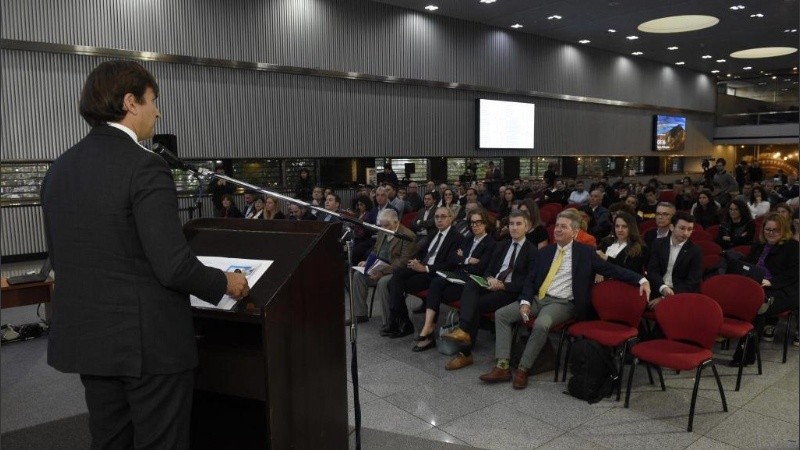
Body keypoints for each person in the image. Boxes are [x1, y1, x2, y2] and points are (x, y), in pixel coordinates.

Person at [40, 60, 249, 449]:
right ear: (130, 102)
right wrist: (225, 283)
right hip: (148, 346)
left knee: (110, 440)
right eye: (154, 100)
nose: (158, 111)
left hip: (90, 342)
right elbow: (172, 266)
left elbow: (64, 255)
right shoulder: (145, 166)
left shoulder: (60, 169)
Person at [478, 209, 650, 389]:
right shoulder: (545, 252)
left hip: (563, 303)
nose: (558, 230)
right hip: (539, 298)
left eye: (563, 227)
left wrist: (641, 279)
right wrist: (526, 302)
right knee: (502, 314)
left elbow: (612, 270)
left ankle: (523, 369)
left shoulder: (586, 253)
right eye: (557, 226)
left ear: (575, 232)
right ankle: (503, 367)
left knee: (542, 323)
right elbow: (530, 280)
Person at [441, 210, 538, 370]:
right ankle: (464, 331)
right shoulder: (502, 245)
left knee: (475, 304)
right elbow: (488, 269)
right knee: (471, 284)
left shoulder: (533, 252)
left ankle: (464, 351)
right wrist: (490, 278)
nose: (514, 227)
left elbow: (529, 282)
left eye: (518, 224)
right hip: (492, 284)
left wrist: (504, 285)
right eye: (511, 224)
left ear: (527, 227)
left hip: (510, 291)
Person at [412, 210, 496, 352]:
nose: (475, 226)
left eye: (478, 222)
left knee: (437, 292)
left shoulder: (491, 243)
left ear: (486, 223)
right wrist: (468, 260)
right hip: (458, 275)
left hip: (471, 282)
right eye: (472, 223)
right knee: (436, 282)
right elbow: (453, 259)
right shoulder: (468, 238)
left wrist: (462, 259)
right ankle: (428, 326)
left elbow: (481, 267)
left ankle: (438, 335)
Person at [383, 206, 465, 338]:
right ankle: (401, 320)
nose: (439, 220)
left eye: (443, 216)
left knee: (393, 285)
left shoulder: (457, 238)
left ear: (451, 218)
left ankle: (400, 321)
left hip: (434, 274)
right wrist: (416, 261)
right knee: (397, 275)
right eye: (437, 217)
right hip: (422, 267)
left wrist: (425, 268)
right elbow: (422, 253)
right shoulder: (433, 234)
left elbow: (451, 264)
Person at [734, 213, 799, 363]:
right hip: (758, 286)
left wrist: (771, 282)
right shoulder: (759, 245)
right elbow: (748, 264)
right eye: (767, 230)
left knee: (758, 305)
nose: (770, 233)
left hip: (785, 290)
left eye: (775, 230)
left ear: (783, 230)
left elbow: (794, 274)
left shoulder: (793, 247)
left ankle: (746, 354)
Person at [348, 209, 416, 325]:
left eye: (387, 225)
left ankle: (389, 321)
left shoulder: (407, 235)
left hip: (395, 270)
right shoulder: (383, 231)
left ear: (396, 222)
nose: (385, 228)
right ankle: (360, 314)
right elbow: (375, 250)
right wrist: (367, 262)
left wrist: (382, 272)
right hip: (378, 266)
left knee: (383, 282)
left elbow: (403, 262)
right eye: (382, 225)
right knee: (358, 275)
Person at [645, 211, 703, 308]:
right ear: (672, 227)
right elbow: (652, 271)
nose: (686, 233)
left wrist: (665, 298)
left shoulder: (695, 251)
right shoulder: (658, 244)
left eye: (690, 229)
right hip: (657, 287)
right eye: (682, 228)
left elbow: (692, 282)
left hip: (680, 293)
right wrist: (662, 288)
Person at [596, 212, 647, 282]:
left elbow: (631, 270)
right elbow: (595, 261)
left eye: (624, 226)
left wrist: (607, 258)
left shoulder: (639, 248)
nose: (620, 230)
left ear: (631, 227)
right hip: (601, 283)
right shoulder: (606, 242)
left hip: (623, 285)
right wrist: (598, 271)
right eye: (617, 226)